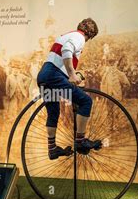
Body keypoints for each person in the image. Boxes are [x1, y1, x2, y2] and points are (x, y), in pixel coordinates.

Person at [37, 18, 102, 160]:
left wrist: (69, 75)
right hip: (54, 75)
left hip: (44, 75)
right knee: (85, 101)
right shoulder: (79, 37)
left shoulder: (65, 35)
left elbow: (59, 59)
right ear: (89, 35)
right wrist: (72, 75)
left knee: (53, 112)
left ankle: (52, 148)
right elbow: (66, 50)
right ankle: (80, 141)